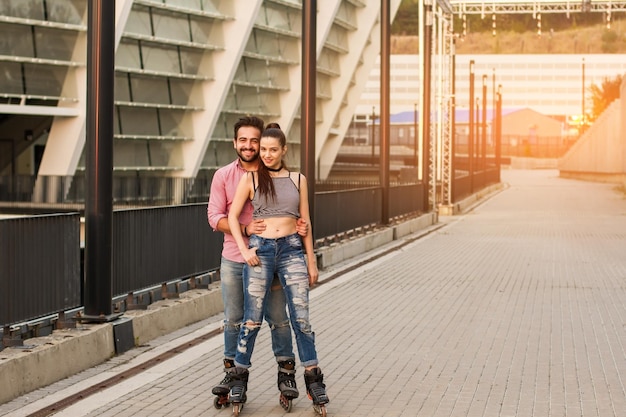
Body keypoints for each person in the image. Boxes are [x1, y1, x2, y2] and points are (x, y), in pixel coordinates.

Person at [226, 123, 329, 411]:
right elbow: (234, 217)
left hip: (292, 250)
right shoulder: (251, 179)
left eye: (273, 150)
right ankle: (239, 378)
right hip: (261, 250)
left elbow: (305, 224)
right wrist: (244, 249)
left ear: (284, 150)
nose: (267, 154)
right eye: (264, 150)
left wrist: (311, 261)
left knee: (302, 319)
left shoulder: (298, 180)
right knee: (252, 319)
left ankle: (313, 378)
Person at [207, 116, 307, 404]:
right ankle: (233, 375)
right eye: (243, 140)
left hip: (271, 260)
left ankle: (286, 374)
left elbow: (295, 210)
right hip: (235, 258)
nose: (249, 146)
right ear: (234, 143)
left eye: (255, 140)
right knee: (234, 320)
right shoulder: (223, 176)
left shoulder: (276, 173)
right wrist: (246, 230)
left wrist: (302, 227)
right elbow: (215, 217)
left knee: (278, 318)